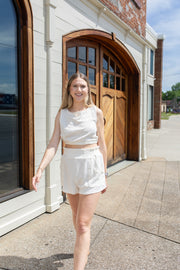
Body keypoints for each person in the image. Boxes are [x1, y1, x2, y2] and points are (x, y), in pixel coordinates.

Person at [32, 72, 108, 270]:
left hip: (91, 167)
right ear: (69, 90)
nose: (79, 90)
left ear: (88, 89)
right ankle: (84, 246)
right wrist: (40, 169)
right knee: (76, 216)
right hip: (70, 167)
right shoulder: (62, 114)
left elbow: (102, 145)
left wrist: (104, 173)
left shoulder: (96, 112)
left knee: (83, 224)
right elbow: (53, 144)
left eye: (83, 86)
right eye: (75, 86)